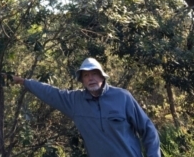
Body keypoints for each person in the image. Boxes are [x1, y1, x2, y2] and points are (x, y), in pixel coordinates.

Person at [12, 57, 161, 157]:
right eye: (86, 75)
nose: (91, 78)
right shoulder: (75, 101)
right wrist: (23, 81)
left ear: (102, 77)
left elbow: (148, 129)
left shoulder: (122, 97)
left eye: (94, 73)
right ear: (82, 80)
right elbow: (50, 93)